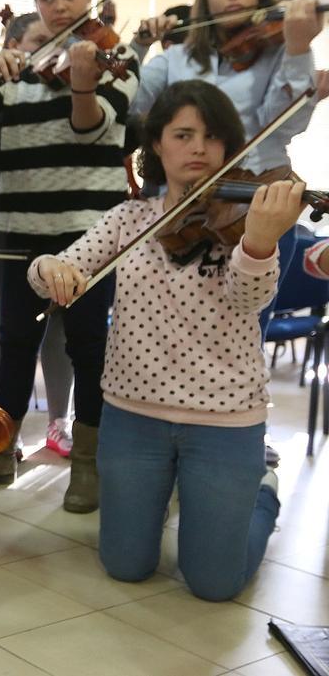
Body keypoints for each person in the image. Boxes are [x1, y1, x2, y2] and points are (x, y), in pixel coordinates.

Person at [33, 80, 304, 600]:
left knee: (214, 583)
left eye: (212, 136)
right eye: (183, 134)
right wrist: (50, 267)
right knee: (126, 565)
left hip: (224, 420)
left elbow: (251, 300)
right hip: (134, 418)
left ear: (229, 147)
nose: (198, 147)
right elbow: (60, 267)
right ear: (156, 144)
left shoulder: (246, 222)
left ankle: (263, 494)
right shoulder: (129, 218)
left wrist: (262, 240)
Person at [0, 0, 140, 512]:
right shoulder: (25, 62)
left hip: (90, 233)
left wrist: (83, 85)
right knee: (13, 345)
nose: (58, 7)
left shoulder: (117, 56)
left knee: (89, 346)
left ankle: (87, 465)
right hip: (18, 227)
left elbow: (92, 130)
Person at [130, 0, 323, 336]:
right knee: (171, 325)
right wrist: (137, 46)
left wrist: (299, 50)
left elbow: (285, 125)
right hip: (183, 205)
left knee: (246, 328)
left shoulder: (282, 52)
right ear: (206, 1)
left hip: (254, 199)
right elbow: (131, 110)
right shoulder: (176, 58)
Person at [0, 12, 76, 456]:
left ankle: (58, 423)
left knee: (61, 331)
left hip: (64, 224)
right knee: (13, 330)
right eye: (37, 41)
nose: (49, 49)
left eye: (56, 41)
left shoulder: (71, 89)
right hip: (8, 221)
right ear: (13, 45)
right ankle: (2, 436)